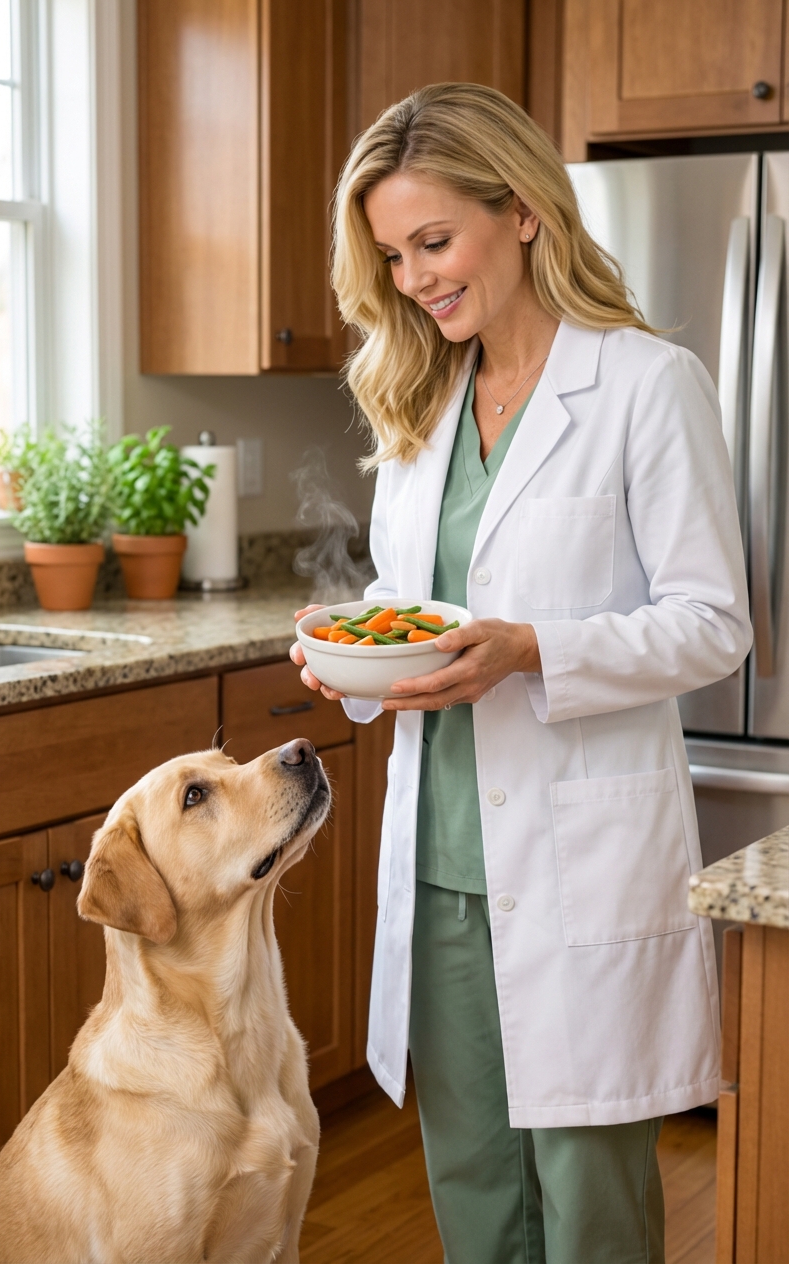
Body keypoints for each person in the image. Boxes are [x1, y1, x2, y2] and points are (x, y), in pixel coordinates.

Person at [290, 83, 751, 1264]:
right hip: (439, 866)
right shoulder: (417, 402)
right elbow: (415, 624)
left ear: (525, 211)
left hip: (577, 858)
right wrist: (344, 658)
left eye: (432, 242)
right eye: (393, 255)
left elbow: (710, 625)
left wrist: (534, 647)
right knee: (476, 1191)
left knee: (590, 1202)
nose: (413, 278)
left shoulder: (647, 385)